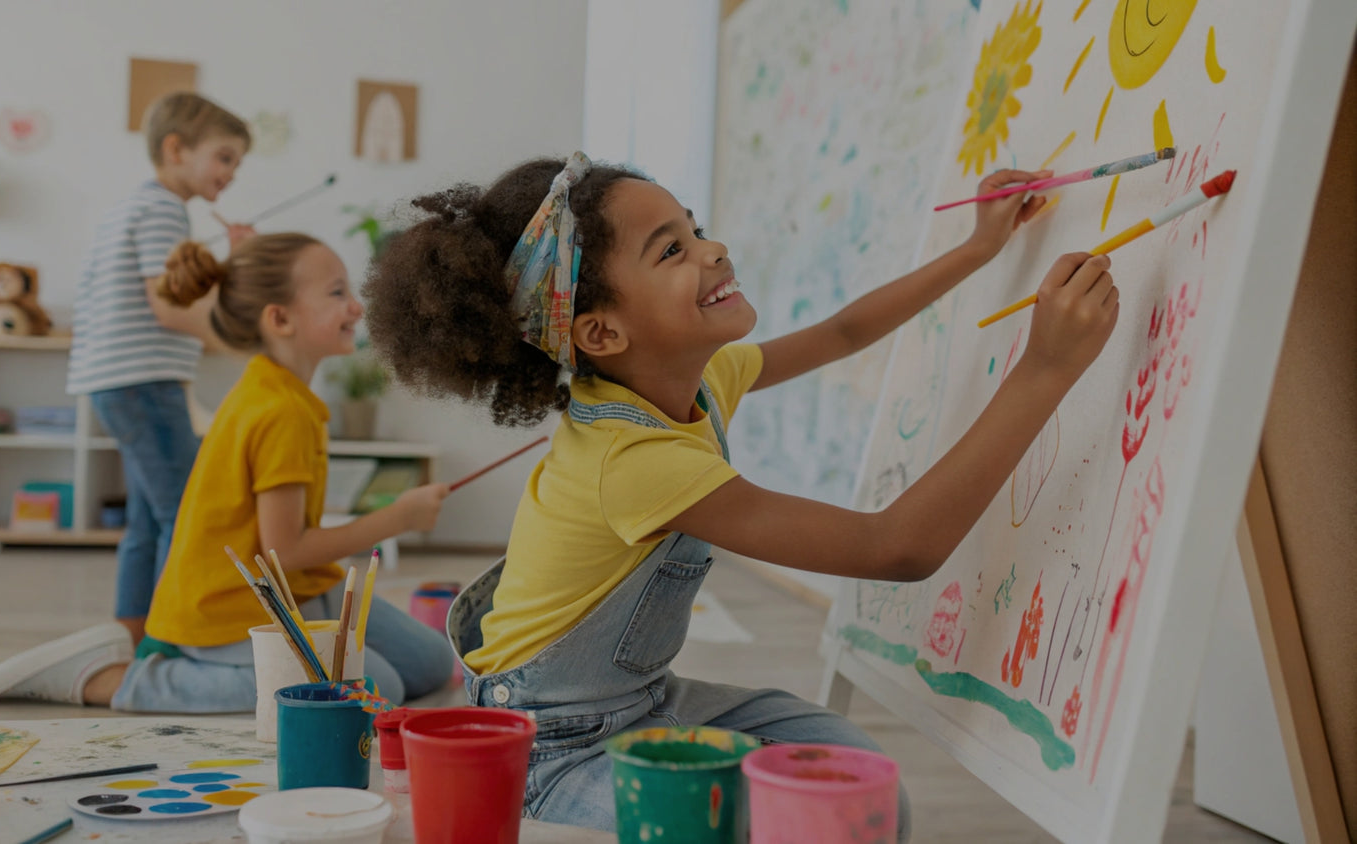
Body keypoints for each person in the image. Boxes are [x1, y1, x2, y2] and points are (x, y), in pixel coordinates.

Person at [360, 153, 1118, 836]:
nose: (712, 250)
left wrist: (981, 247)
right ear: (600, 334)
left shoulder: (698, 380)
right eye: (672, 250)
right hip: (551, 747)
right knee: (818, 819)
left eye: (693, 230)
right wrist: (1045, 369)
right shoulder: (632, 461)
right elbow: (898, 547)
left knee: (861, 785)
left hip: (648, 703)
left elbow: (846, 331)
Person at [0, 234, 456, 711]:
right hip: (230, 609)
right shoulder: (280, 411)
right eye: (337, 294)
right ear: (279, 318)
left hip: (291, 590)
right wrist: (400, 517)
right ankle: (121, 680)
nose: (355, 308)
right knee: (379, 691)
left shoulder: (278, 389)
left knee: (431, 663)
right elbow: (284, 551)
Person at [66, 92, 257, 645]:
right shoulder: (164, 210)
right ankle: (174, 638)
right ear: (176, 149)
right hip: (143, 380)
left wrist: (230, 261)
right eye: (224, 157)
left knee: (150, 518)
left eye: (236, 164)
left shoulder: (134, 207)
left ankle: (135, 632)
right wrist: (238, 340)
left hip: (119, 381)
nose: (231, 173)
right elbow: (170, 305)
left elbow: (171, 288)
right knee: (188, 513)